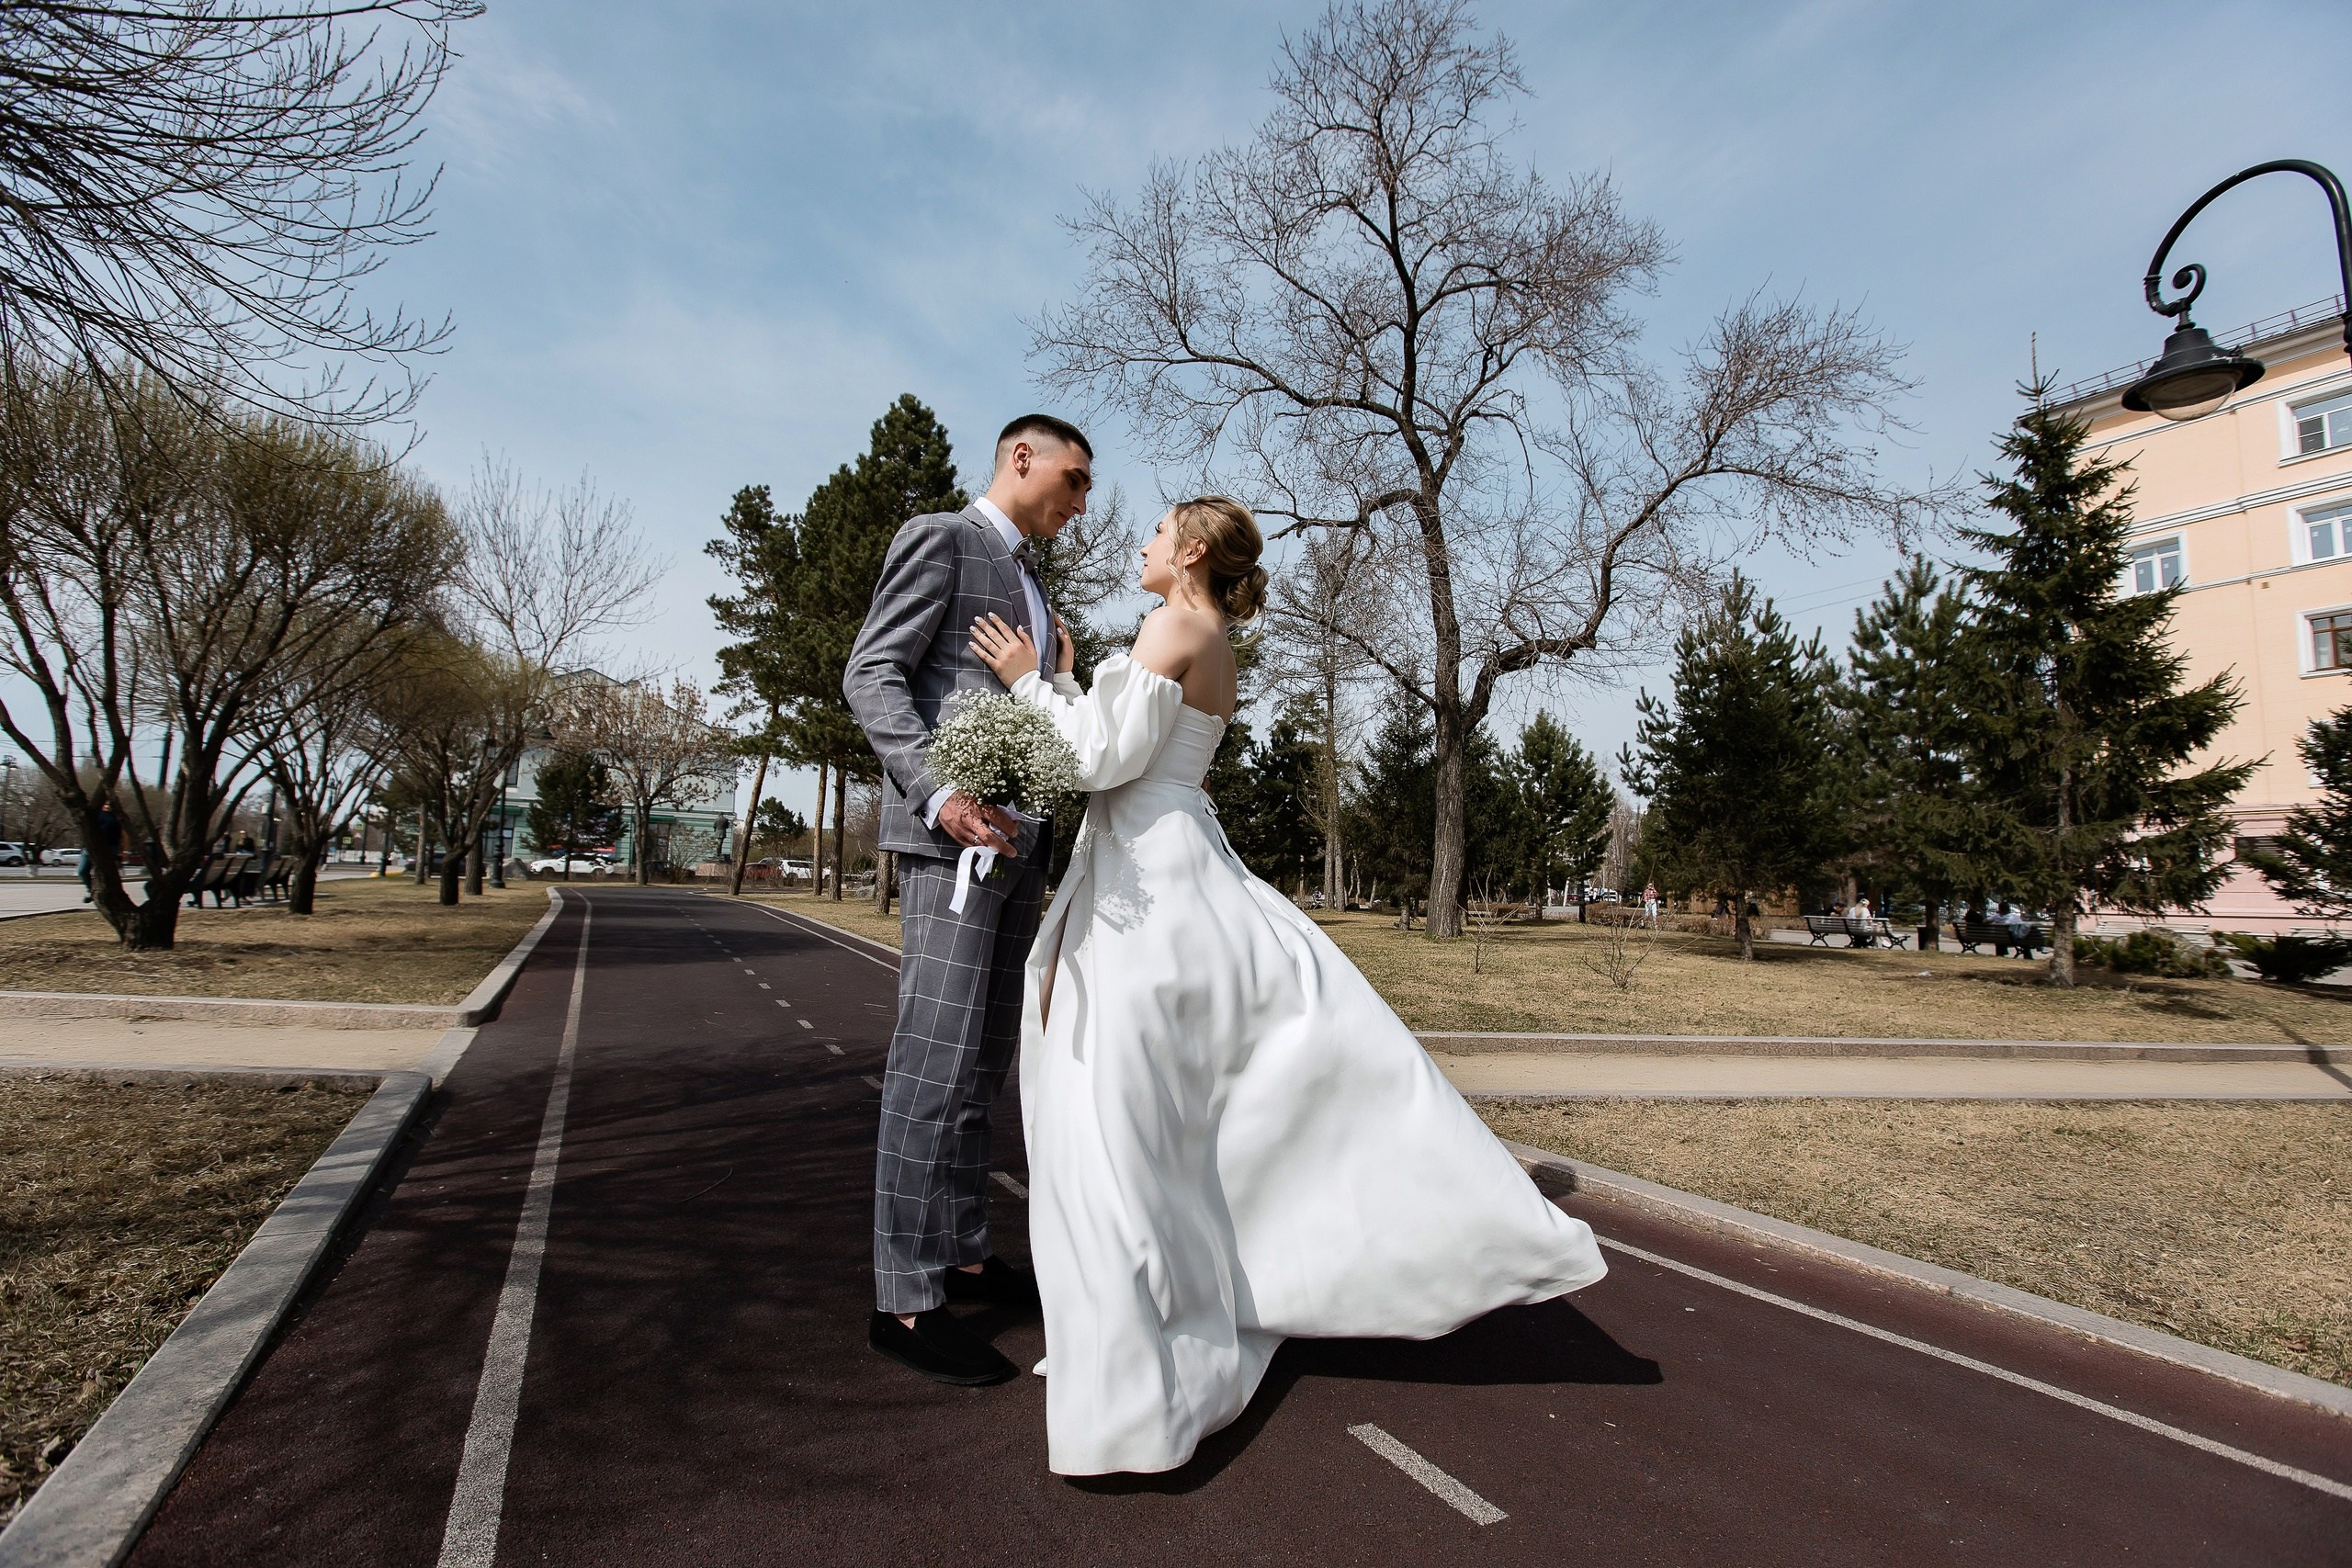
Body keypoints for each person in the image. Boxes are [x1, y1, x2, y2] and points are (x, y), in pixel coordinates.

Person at [967, 496, 1605, 1476]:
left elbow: (1096, 759)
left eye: (1156, 532)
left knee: (1115, 1118)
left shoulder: (1173, 624)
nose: (1141, 543)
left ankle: (1135, 1371)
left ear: (1189, 551)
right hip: (1173, 865)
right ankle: (1152, 1321)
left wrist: (1023, 683)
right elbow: (1131, 745)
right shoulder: (1211, 638)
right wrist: (1058, 682)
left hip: (1148, 889)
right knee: (1161, 1119)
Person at [842, 413, 1091, 1388]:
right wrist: (939, 794)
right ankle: (903, 1300)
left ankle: (963, 1253)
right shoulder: (943, 538)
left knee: (984, 1063)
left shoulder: (1035, 581)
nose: (1081, 503)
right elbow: (872, 673)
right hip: (953, 845)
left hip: (1020, 849)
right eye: (1074, 480)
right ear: (1022, 458)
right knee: (933, 1064)